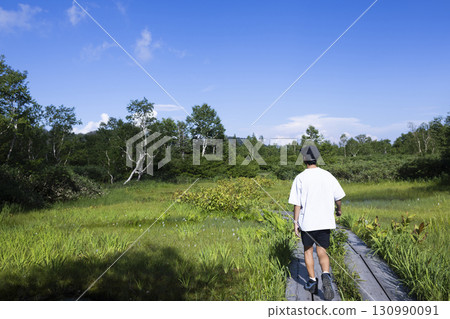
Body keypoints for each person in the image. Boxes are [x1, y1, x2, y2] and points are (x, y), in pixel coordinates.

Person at [288, 144, 345, 301]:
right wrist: (338, 210)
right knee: (322, 251)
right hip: (324, 221)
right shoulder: (328, 175)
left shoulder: (300, 178)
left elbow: (297, 204)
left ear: (304, 159)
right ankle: (326, 275)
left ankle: (312, 281)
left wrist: (295, 222)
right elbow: (338, 198)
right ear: (317, 158)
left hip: (308, 222)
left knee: (308, 251)